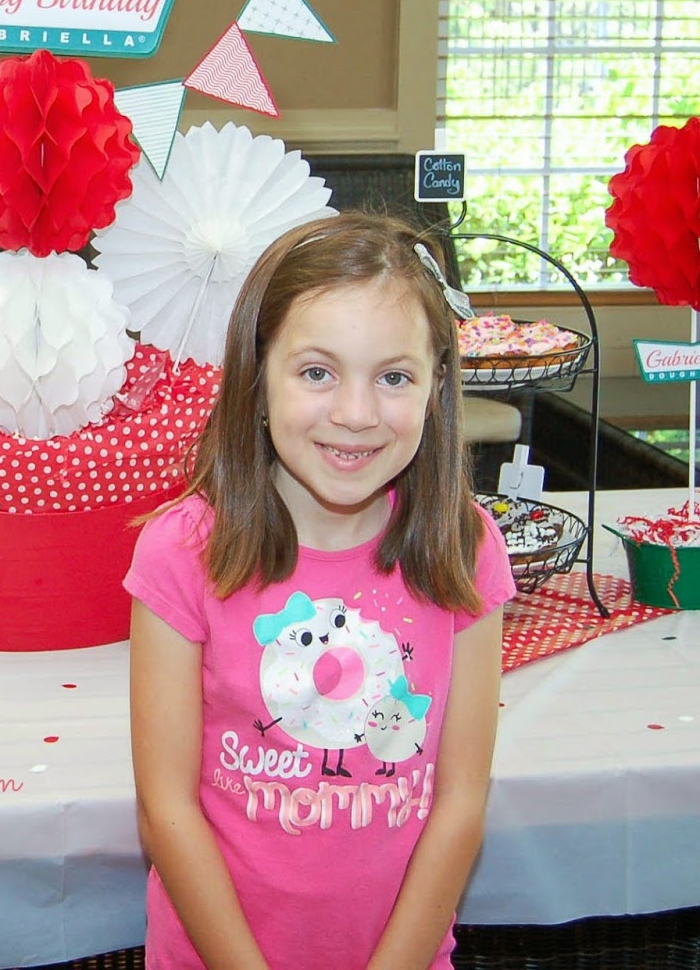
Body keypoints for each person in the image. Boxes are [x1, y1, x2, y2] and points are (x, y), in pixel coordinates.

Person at [126, 211, 515, 969]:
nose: (357, 414)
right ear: (259, 378)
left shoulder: (464, 549)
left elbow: (461, 802)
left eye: (394, 377)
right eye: (317, 372)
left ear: (437, 386)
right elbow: (165, 810)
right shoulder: (181, 553)